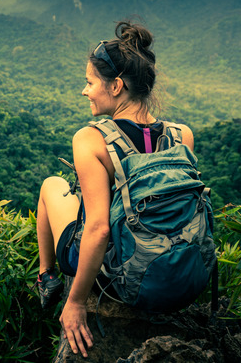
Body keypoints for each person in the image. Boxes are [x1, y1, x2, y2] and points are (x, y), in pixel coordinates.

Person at [34, 20, 194, 358]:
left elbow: (99, 228)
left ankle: (46, 278)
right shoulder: (182, 135)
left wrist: (76, 302)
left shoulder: (91, 139)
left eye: (90, 82)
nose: (85, 91)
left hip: (125, 272)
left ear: (117, 85)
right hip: (180, 269)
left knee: (51, 186)